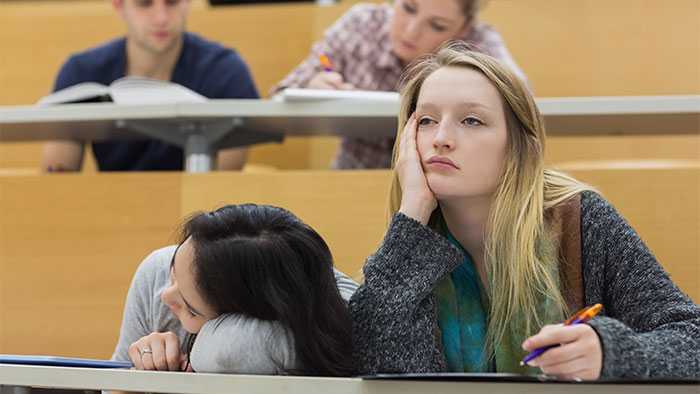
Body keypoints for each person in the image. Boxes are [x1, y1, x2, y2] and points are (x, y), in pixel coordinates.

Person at [349, 42, 700, 380]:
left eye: (471, 121)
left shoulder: (580, 219)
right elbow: (367, 358)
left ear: (519, 147)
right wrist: (411, 214)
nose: (440, 138)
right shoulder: (412, 243)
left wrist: (611, 353)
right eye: (426, 121)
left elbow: (692, 339)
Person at [273, 0, 525, 169]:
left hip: (445, 188)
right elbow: (281, 94)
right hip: (355, 176)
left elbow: (521, 107)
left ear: (463, 29)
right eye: (408, 8)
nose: (412, 31)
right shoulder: (362, 24)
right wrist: (312, 84)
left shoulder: (479, 44)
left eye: (437, 25)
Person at [113, 204, 357, 376]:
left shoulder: (336, 317)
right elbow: (110, 387)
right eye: (174, 270)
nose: (166, 295)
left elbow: (228, 352)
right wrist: (139, 374)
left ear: (243, 317)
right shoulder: (157, 272)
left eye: (191, 310)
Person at [41, 0, 258, 172]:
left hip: (197, 216)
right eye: (144, 3)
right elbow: (58, 177)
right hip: (111, 210)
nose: (161, 18)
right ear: (119, 5)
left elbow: (222, 180)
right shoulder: (82, 71)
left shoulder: (225, 70)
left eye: (172, 2)